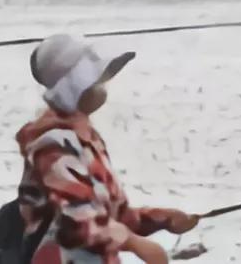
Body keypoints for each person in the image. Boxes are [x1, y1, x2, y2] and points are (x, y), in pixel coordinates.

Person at [17, 34, 199, 264]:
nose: (103, 86)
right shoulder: (52, 145)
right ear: (74, 87)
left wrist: (162, 219)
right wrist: (137, 244)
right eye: (97, 80)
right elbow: (77, 221)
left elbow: (114, 216)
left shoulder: (87, 139)